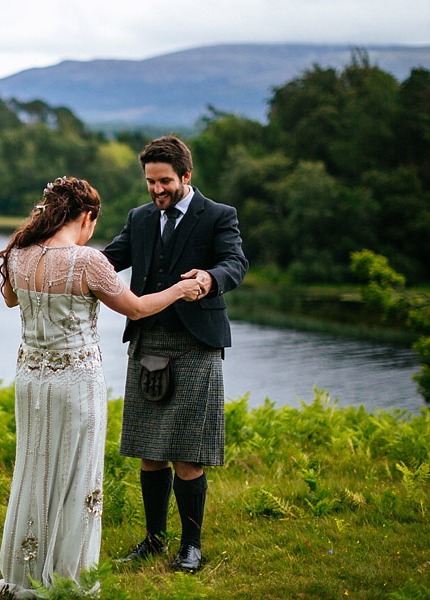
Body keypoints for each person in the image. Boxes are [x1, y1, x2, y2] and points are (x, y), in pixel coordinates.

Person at [0, 176, 203, 599]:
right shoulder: (88, 261)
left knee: (34, 469)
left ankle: (23, 572)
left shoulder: (19, 254)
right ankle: (68, 575)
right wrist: (177, 289)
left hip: (31, 381)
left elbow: (11, 300)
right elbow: (136, 307)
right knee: (76, 474)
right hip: (77, 382)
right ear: (86, 216)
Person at [102, 135, 248, 573]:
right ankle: (153, 540)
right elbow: (109, 260)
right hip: (148, 342)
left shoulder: (218, 215)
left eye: (165, 181)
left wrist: (209, 278)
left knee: (187, 453)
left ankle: (191, 546)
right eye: (150, 182)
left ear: (187, 176)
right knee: (150, 450)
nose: (156, 190)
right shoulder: (141, 218)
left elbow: (235, 263)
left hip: (195, 345)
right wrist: (64, 260)